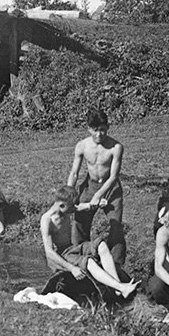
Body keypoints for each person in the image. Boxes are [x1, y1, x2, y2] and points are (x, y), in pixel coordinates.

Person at [40, 185, 138, 300]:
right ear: (61, 205)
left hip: (72, 248)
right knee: (88, 261)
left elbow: (78, 207)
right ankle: (121, 288)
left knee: (101, 244)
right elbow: (49, 252)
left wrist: (95, 204)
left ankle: (118, 287)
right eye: (70, 207)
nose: (72, 209)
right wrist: (72, 268)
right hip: (62, 254)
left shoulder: (64, 209)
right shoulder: (47, 220)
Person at [67, 108, 126, 264]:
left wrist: (98, 196)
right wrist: (69, 193)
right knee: (79, 221)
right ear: (89, 129)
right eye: (95, 130)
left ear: (107, 127)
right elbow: (74, 172)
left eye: (102, 130)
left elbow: (114, 176)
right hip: (90, 185)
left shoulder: (116, 147)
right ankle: (80, 258)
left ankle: (116, 264)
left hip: (111, 188)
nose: (99, 134)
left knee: (116, 226)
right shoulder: (82, 146)